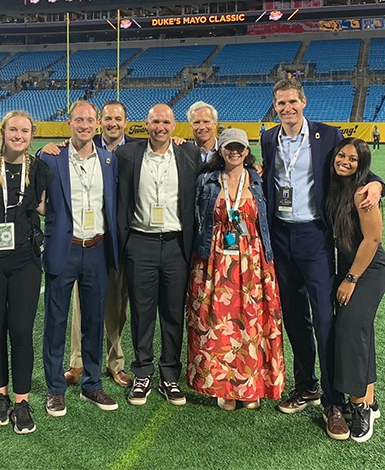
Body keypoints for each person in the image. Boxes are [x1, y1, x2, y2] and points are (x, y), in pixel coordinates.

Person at [261, 78, 382, 440]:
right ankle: (307, 386)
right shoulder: (269, 138)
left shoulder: (327, 136)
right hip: (280, 236)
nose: (287, 109)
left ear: (304, 101)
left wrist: (378, 183)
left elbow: (356, 166)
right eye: (281, 103)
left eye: (292, 102)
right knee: (294, 317)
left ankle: (335, 402)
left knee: (325, 319)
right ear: (275, 106)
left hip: (314, 236)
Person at [188, 128, 284, 409]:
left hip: (253, 261)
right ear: (221, 150)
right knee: (217, 324)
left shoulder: (258, 179)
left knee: (252, 323)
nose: (234, 152)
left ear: (246, 150)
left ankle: (250, 385)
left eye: (239, 148)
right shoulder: (206, 180)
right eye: (229, 147)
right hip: (214, 261)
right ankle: (223, 386)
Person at [117, 104, 201, 406]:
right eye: (155, 121)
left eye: (166, 122)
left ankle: (169, 375)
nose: (160, 127)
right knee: (141, 312)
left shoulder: (189, 153)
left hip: (177, 244)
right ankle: (142, 372)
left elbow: (218, 166)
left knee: (172, 311)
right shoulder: (127, 155)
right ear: (146, 123)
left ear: (174, 125)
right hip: (141, 242)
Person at [40, 100, 119, 418]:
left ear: (97, 123)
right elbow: (36, 199)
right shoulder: (50, 156)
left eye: (90, 120)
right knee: (56, 321)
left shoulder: (108, 159)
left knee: (93, 320)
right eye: (79, 120)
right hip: (65, 247)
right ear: (69, 122)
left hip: (97, 248)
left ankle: (92, 383)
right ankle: (55, 389)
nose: (85, 125)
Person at [0, 110, 48, 435]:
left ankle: (21, 401)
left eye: (25, 131)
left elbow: (48, 207)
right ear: (3, 131)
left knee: (20, 330)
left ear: (32, 135)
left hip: (25, 260)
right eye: (13, 130)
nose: (19, 135)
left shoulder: (41, 169)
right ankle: (0, 397)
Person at [62, 101, 137, 388]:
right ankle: (78, 362)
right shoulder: (82, 146)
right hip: (87, 239)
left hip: (118, 239)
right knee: (81, 305)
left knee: (117, 305)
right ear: (98, 122)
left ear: (126, 122)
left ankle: (115, 362)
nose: (112, 123)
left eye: (118, 118)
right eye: (107, 118)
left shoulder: (135, 149)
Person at [326, 138, 385, 442]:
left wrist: (350, 278)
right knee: (359, 331)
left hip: (366, 268)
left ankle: (359, 404)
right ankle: (370, 401)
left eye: (352, 159)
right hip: (347, 266)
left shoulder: (364, 193)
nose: (345, 161)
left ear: (362, 164)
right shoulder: (337, 186)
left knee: (350, 329)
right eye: (341, 155)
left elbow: (372, 241)